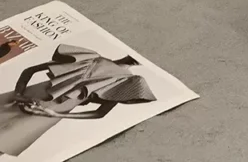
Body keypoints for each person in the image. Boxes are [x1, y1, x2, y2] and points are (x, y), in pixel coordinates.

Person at [0, 44, 157, 156]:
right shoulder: (90, 58)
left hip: (46, 114)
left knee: (5, 141)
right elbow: (30, 70)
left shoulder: (127, 82)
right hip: (24, 97)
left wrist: (55, 114)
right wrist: (18, 94)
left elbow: (100, 113)